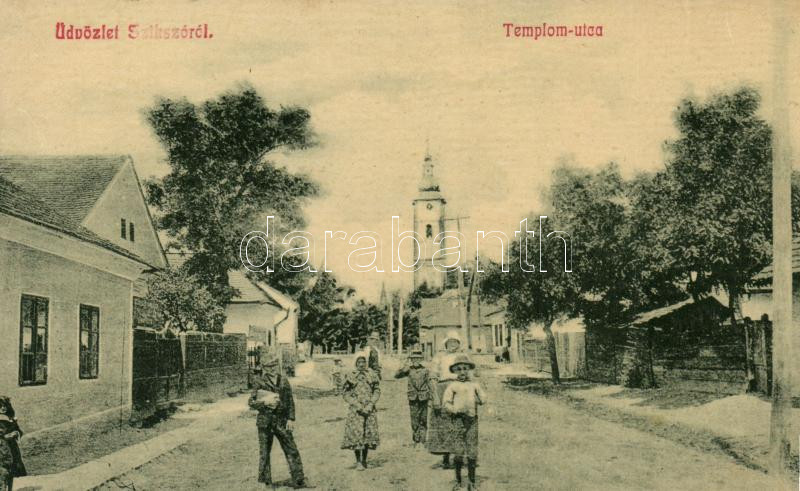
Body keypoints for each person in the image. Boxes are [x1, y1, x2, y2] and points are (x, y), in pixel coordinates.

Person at [248, 354, 309, 489]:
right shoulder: (259, 382)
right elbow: (251, 402)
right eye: (268, 366)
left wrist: (291, 418)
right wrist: (264, 402)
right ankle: (267, 482)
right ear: (264, 368)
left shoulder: (284, 381)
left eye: (274, 366)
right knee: (265, 452)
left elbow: (290, 401)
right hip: (265, 422)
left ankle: (299, 480)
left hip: (282, 421)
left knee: (291, 449)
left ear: (277, 366)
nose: (272, 369)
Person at [442, 355, 487, 491]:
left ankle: (471, 482)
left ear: (469, 370)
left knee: (472, 450)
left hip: (471, 421)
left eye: (465, 369)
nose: (462, 372)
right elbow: (446, 403)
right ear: (455, 371)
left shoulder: (474, 384)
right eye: (459, 369)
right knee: (458, 451)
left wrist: (478, 399)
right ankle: (458, 481)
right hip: (457, 421)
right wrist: (454, 409)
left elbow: (483, 398)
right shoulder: (452, 386)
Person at [426, 330, 463, 468]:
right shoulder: (439, 357)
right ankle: (445, 457)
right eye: (450, 342)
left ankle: (458, 457)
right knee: (443, 422)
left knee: (459, 423)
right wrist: (435, 396)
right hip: (443, 389)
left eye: (455, 341)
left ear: (459, 343)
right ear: (446, 343)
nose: (452, 344)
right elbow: (432, 377)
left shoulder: (463, 357)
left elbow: (471, 375)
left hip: (459, 389)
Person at [340, 354, 381, 470]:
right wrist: (356, 404)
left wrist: (371, 404)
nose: (362, 364)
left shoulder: (371, 375)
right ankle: (358, 461)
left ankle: (364, 460)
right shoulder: (351, 376)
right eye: (359, 362)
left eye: (363, 362)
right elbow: (346, 393)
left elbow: (377, 391)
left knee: (367, 434)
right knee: (357, 435)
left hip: (369, 409)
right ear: (356, 364)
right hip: (356, 411)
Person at [394, 349, 431, 447]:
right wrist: (403, 367)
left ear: (421, 359)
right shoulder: (408, 370)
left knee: (423, 418)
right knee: (414, 419)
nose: (416, 360)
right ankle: (416, 440)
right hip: (413, 397)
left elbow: (430, 383)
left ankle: (423, 440)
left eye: (418, 359)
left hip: (424, 397)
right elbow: (396, 376)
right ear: (411, 359)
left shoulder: (425, 370)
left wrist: (431, 396)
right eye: (414, 359)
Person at [0, 396, 26, 491]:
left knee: (11, 471)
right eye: (0, 406)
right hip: (2, 448)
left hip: (12, 448)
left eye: (5, 406)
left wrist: (16, 433)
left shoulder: (10, 419)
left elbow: (19, 431)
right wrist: (5, 437)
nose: (3, 408)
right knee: (3, 472)